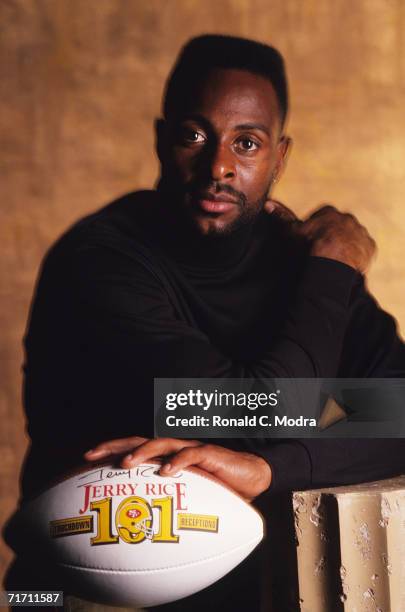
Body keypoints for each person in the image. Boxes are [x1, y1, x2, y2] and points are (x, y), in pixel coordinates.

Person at [4, 34, 405, 610]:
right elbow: (263, 410)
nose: (219, 165)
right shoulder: (99, 261)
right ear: (161, 141)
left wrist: (269, 469)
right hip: (82, 579)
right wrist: (335, 273)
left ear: (280, 158)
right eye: (195, 135)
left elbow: (397, 411)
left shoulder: (300, 263)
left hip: (253, 584)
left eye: (247, 142)